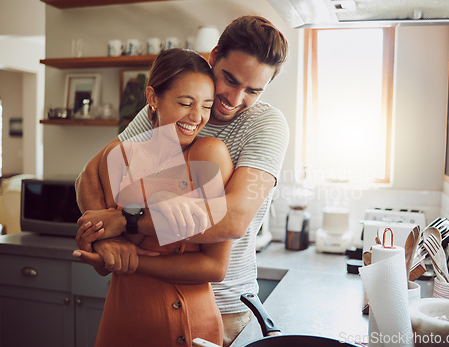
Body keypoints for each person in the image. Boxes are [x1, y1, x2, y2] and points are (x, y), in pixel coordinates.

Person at [74, 15, 289, 346]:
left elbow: (231, 219)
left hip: (227, 309)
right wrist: (106, 242)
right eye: (230, 80)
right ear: (213, 57)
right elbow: (90, 175)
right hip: (146, 302)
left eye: (252, 91)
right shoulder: (170, 107)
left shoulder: (265, 125)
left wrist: (125, 221)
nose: (234, 98)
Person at [78, 48, 234, 346]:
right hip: (124, 321)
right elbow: (111, 255)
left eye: (206, 105)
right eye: (185, 103)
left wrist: (134, 257)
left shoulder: (210, 153)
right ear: (153, 98)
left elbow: (215, 267)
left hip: (193, 322)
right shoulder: (120, 155)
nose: (197, 116)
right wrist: (98, 243)